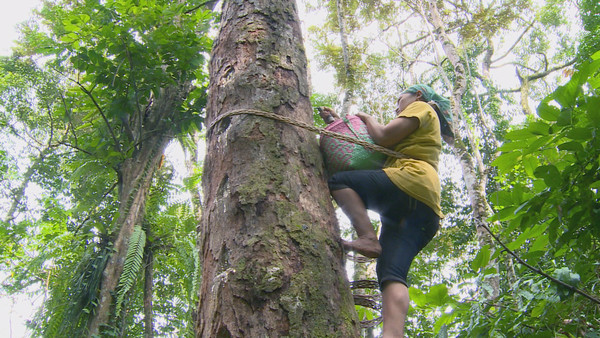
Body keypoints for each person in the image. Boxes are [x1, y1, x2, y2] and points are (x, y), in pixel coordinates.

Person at [324, 84, 453, 337]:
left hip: (411, 183)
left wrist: (366, 117)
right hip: (424, 212)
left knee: (340, 181)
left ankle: (368, 237)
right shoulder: (412, 138)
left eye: (398, 99)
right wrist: (338, 123)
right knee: (391, 274)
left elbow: (382, 137)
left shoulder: (423, 107)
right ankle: (392, 334)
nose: (396, 106)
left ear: (417, 95)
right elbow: (366, 153)